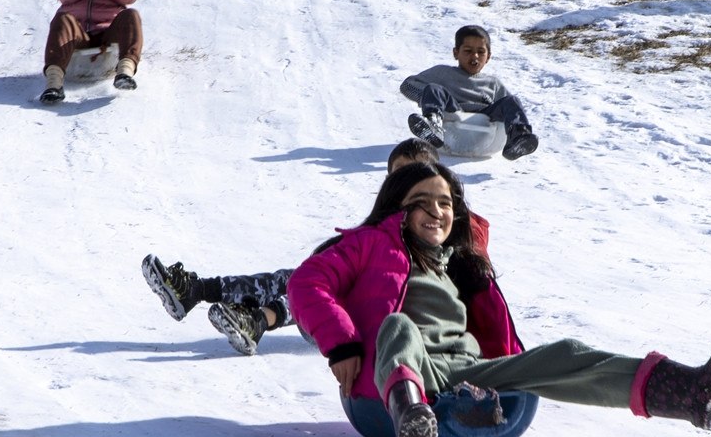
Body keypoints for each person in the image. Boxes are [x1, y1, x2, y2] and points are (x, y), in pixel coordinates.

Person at [288, 161, 711, 437]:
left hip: (461, 371)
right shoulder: (370, 242)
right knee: (398, 327)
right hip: (388, 385)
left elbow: (496, 330)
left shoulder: (457, 263)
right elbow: (307, 282)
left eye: (446, 202)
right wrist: (343, 345)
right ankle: (413, 420)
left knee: (563, 354)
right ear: (397, 211)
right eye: (422, 202)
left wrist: (509, 363)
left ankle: (688, 395)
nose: (438, 211)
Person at [141, 139, 492, 356]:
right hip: (349, 317)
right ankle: (197, 290)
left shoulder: (454, 225)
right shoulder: (384, 226)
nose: (409, 187)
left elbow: (472, 288)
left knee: (334, 288)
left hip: (393, 328)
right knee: (298, 276)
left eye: (417, 177)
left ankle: (258, 320)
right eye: (399, 177)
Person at [400, 25, 539, 161]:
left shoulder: (493, 83)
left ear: (488, 56)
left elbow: (513, 111)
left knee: (511, 101)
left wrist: (513, 120)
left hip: (486, 118)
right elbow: (407, 85)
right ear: (456, 53)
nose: (475, 56)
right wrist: (426, 98)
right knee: (433, 88)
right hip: (452, 111)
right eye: (468, 51)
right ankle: (433, 126)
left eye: (481, 52)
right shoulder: (442, 72)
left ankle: (518, 137)